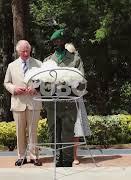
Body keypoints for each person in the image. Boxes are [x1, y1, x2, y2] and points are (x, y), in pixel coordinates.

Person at [43, 29, 84, 167]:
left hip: (69, 102)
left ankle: (67, 161)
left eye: (60, 41)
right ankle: (57, 160)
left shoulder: (75, 59)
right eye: (55, 41)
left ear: (64, 42)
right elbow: (43, 83)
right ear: (53, 43)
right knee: (53, 132)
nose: (57, 43)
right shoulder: (48, 61)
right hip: (52, 103)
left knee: (67, 133)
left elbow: (82, 81)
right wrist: (51, 88)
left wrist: (70, 85)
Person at [4, 40, 43, 166]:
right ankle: (21, 156)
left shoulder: (39, 64)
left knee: (33, 131)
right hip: (18, 102)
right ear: (18, 52)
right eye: (23, 51)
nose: (26, 53)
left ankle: (34, 156)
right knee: (19, 131)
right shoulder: (11, 66)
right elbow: (6, 82)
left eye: (27, 51)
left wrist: (36, 88)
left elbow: (45, 81)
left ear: (30, 50)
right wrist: (14, 89)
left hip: (34, 102)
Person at [64, 43, 91, 165]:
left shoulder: (78, 63)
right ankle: (63, 156)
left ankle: (75, 156)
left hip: (75, 99)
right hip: (61, 99)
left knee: (76, 129)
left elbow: (81, 79)